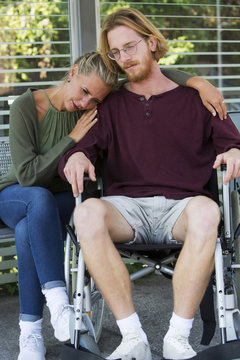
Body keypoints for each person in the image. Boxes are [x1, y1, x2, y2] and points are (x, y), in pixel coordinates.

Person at [58, 8, 240, 360]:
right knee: (87, 215)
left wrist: (233, 152)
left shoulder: (198, 97)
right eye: (116, 52)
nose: (124, 58)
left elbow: (232, 143)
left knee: (207, 210)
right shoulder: (109, 105)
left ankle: (177, 339)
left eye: (130, 47)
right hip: (127, 210)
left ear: (152, 42)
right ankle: (133, 339)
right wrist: (77, 157)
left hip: (183, 209)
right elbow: (79, 149)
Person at [0, 52, 118, 360]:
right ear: (73, 71)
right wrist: (72, 138)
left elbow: (149, 70)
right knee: (37, 199)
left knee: (30, 228)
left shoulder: (95, 110)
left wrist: (197, 82)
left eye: (94, 98)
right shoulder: (27, 106)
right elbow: (28, 176)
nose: (85, 102)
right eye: (84, 91)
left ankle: (31, 333)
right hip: (17, 194)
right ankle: (59, 306)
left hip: (61, 200)